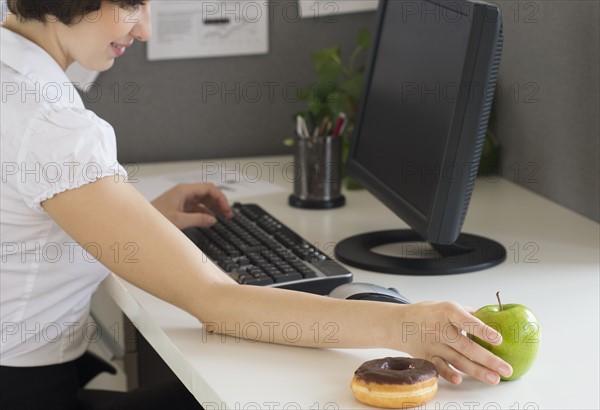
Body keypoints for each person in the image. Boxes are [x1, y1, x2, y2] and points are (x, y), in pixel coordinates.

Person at [0, 1, 513, 408]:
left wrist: (141, 219)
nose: (146, 29)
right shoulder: (49, 123)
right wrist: (401, 325)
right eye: (132, 3)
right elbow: (217, 303)